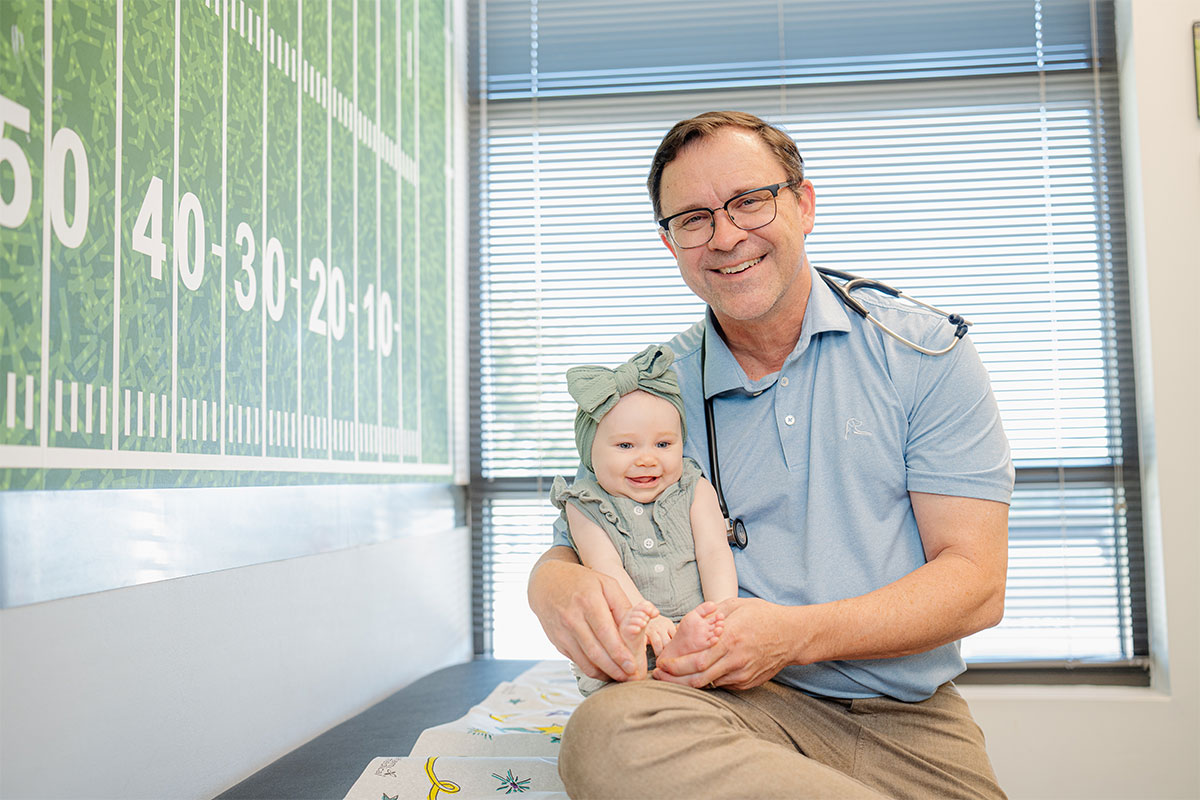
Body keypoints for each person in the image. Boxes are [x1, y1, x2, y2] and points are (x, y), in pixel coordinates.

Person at [527, 111, 1015, 799]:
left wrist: (795, 635)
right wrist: (550, 589)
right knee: (608, 733)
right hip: (725, 710)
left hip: (909, 722)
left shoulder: (923, 353)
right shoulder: (655, 389)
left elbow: (975, 584)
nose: (726, 236)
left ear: (803, 203)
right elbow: (572, 543)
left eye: (749, 201)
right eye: (693, 218)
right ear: (670, 244)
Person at [550, 344, 738, 696]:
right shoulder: (584, 505)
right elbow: (606, 567)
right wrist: (647, 618)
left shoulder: (694, 489)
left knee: (702, 644)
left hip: (689, 624)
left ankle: (687, 653)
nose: (648, 459)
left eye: (664, 444)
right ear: (590, 451)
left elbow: (715, 553)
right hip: (630, 618)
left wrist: (722, 614)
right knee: (615, 637)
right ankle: (632, 662)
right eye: (626, 446)